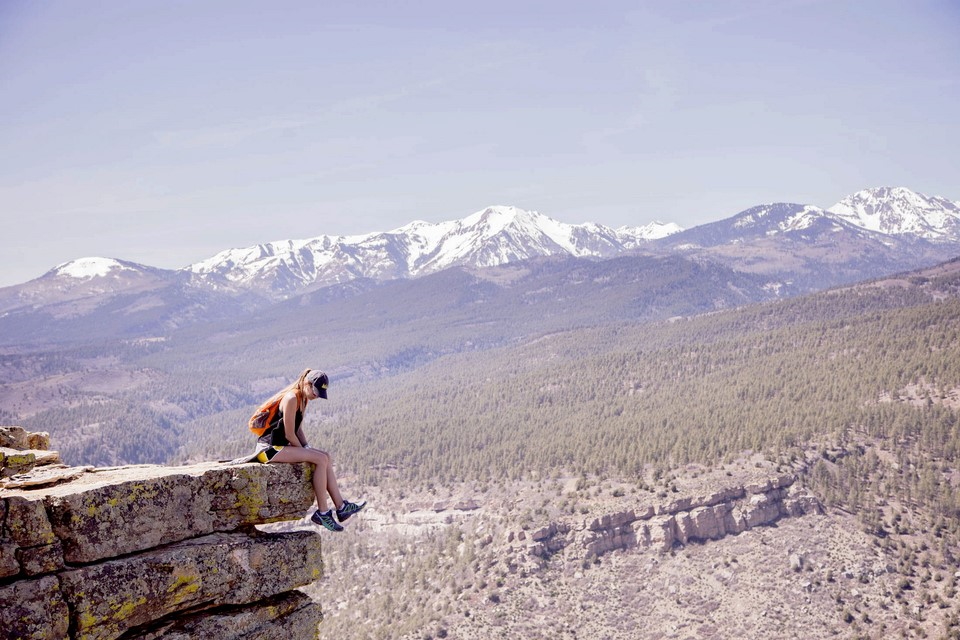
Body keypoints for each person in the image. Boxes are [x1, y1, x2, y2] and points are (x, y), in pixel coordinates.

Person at [250, 368, 365, 532]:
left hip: (280, 447)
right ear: (307, 383)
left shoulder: (302, 398)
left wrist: (307, 448)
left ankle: (341, 507)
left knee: (325, 456)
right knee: (319, 459)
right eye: (315, 391)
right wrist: (308, 454)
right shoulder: (291, 398)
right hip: (268, 450)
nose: (316, 396)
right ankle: (323, 513)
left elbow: (297, 429)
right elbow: (289, 434)